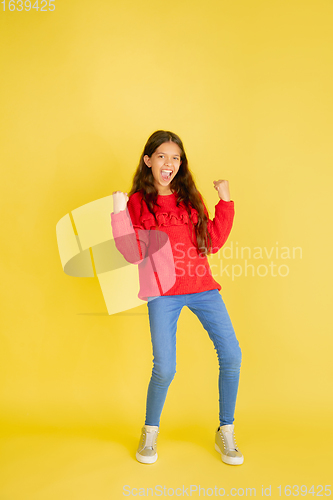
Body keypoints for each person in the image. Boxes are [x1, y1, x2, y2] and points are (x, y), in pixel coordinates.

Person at [111, 130, 243, 466]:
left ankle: (225, 430)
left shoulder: (189, 197)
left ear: (180, 164)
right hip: (162, 293)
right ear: (148, 161)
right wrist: (117, 212)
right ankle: (150, 432)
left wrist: (225, 201)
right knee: (165, 368)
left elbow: (210, 242)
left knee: (231, 355)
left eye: (176, 158)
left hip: (202, 288)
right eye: (162, 156)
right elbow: (130, 252)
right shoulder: (138, 202)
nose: (169, 163)